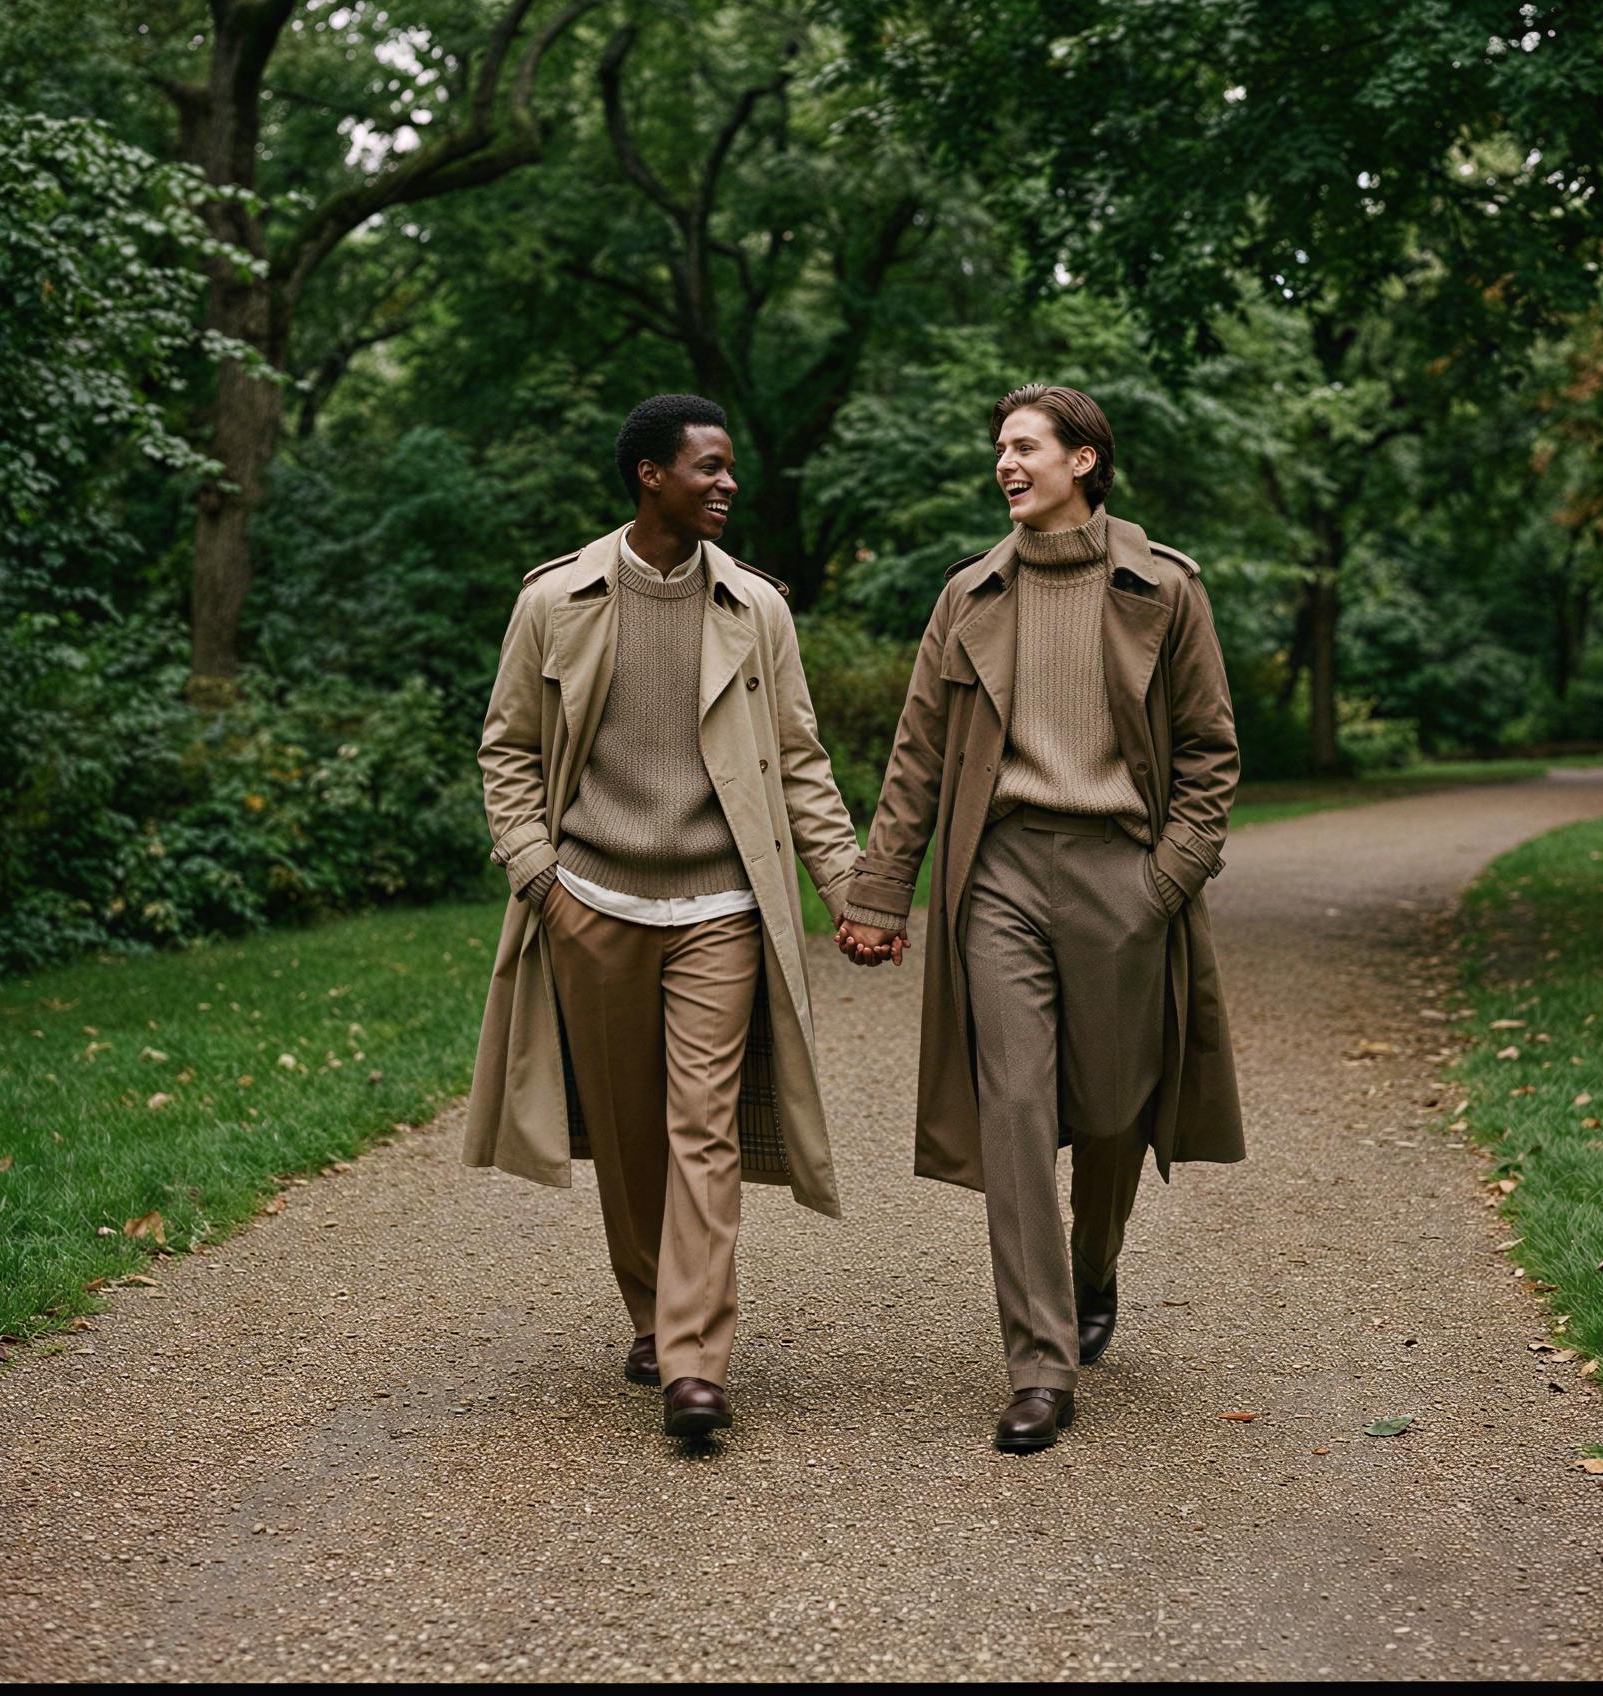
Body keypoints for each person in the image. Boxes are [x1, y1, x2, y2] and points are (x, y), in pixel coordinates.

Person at [837, 382, 1246, 1453]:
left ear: (1084, 459)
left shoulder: (1164, 588)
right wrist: (881, 891)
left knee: (1110, 1108)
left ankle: (1092, 1261)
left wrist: (1164, 879)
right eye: (998, 449)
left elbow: (1209, 750)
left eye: (1024, 447)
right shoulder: (967, 594)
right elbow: (917, 754)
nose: (1005, 464)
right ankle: (1037, 1362)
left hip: (1124, 876)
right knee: (1014, 1105)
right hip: (1001, 874)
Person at [463, 393, 860, 1440]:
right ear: (651, 475)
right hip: (590, 901)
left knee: (702, 1130)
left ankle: (693, 1359)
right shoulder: (557, 599)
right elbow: (506, 747)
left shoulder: (755, 609)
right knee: (632, 1136)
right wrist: (538, 875)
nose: (728, 483)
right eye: (709, 467)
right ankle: (649, 1313)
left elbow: (802, 761)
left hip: (721, 907)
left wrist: (848, 885)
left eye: (729, 468)